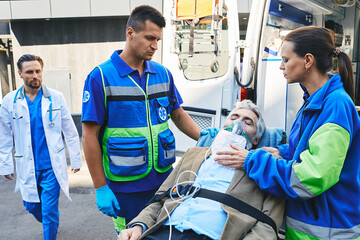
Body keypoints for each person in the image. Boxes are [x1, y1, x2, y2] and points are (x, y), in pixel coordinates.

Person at [215, 26, 360, 239]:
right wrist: (279, 151)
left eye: (286, 59)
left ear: (308, 61)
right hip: (307, 227)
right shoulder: (314, 100)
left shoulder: (336, 105)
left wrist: (251, 160)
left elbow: (311, 177)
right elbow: (304, 148)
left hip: (327, 231)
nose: (281, 66)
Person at [81, 5, 201, 234]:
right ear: (130, 33)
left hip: (164, 181)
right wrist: (100, 187)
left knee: (166, 235)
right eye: (149, 38)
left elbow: (177, 114)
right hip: (125, 187)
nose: (155, 46)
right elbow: (89, 135)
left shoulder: (162, 73)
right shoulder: (100, 77)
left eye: (158, 39)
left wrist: (206, 138)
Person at [119, 100, 285, 240]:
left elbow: (268, 224)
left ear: (256, 139)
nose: (238, 124)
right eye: (234, 117)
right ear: (223, 126)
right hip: (166, 231)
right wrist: (139, 225)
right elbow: (159, 200)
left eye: (248, 122)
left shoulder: (266, 165)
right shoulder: (193, 154)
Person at [0, 54, 82, 240]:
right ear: (20, 74)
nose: (35, 75)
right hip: (26, 165)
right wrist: (5, 165)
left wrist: (76, 159)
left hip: (51, 167)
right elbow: (4, 136)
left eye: (38, 71)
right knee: (31, 206)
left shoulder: (56, 97)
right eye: (30, 72)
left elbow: (69, 130)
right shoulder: (10, 101)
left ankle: (50, 226)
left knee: (49, 211)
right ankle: (49, 222)